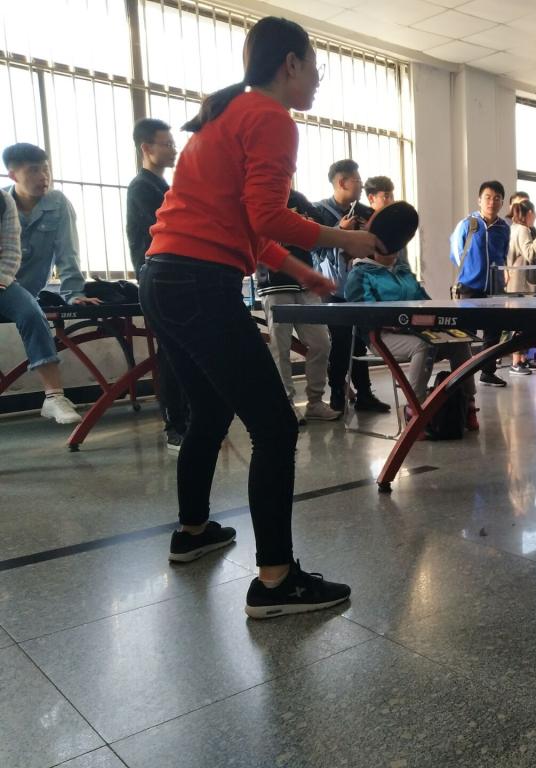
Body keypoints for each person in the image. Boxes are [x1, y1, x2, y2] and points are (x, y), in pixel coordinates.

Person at [140, 16, 381, 617]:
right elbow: (268, 215)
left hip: (163, 278)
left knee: (210, 411)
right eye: (315, 67)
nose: (317, 79)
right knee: (274, 427)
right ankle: (275, 581)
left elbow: (250, 225)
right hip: (199, 283)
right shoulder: (272, 117)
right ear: (290, 64)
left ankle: (193, 532)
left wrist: (303, 272)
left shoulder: (227, 114)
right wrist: (343, 238)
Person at [3, 142, 103, 423]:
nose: (43, 177)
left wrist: (73, 293)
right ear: (13, 175)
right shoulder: (3, 203)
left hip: (15, 289)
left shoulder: (57, 203)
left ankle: (54, 398)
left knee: (31, 313)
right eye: (34, 171)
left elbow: (67, 252)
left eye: (45, 170)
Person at [346, 246, 478, 430]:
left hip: (415, 331)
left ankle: (468, 404)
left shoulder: (403, 270)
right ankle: (414, 410)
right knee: (423, 345)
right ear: (374, 248)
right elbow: (365, 312)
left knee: (459, 342)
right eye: (389, 245)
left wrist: (439, 317)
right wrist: (396, 323)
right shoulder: (359, 274)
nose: (395, 249)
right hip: (380, 336)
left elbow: (423, 300)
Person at [127, 118, 189, 450]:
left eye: (173, 144)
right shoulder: (142, 187)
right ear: (146, 148)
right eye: (167, 144)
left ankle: (190, 419)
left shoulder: (164, 187)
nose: (173, 149)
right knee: (172, 353)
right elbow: (168, 231)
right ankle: (174, 425)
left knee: (185, 351)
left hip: (177, 278)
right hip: (159, 280)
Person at [256, 190, 340, 424]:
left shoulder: (298, 198)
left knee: (321, 343)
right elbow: (258, 234)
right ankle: (285, 404)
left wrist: (299, 223)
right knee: (280, 347)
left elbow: (318, 226)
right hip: (274, 283)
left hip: (306, 282)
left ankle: (315, 402)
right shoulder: (259, 196)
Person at [315, 159, 390, 414]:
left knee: (359, 342)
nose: (360, 185)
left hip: (358, 287)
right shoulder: (319, 212)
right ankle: (337, 393)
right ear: (342, 182)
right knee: (340, 341)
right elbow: (313, 249)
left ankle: (365, 394)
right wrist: (340, 230)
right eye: (357, 180)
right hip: (332, 289)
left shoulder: (364, 213)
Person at [450, 180, 511, 387]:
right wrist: (471, 271)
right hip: (469, 287)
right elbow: (456, 252)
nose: (492, 202)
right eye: (488, 197)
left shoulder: (503, 228)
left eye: (497, 198)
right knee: (465, 334)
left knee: (493, 333)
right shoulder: (468, 224)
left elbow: (503, 254)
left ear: (501, 202)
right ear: (479, 200)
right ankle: (462, 376)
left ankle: (487, 372)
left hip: (495, 289)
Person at [505, 199, 536, 374]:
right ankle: (517, 361)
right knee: (521, 322)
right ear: (530, 213)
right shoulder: (523, 229)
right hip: (521, 283)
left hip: (515, 281)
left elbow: (526, 257)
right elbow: (530, 254)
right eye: (534, 214)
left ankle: (522, 359)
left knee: (519, 322)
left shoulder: (513, 229)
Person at [364, 175, 409, 268]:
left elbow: (403, 261)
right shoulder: (361, 227)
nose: (391, 201)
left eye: (392, 196)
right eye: (387, 196)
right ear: (371, 198)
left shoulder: (396, 224)